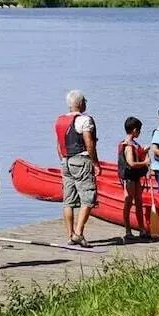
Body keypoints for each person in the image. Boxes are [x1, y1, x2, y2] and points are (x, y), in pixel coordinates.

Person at [54, 89, 99, 248]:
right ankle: (79, 233)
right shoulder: (85, 120)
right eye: (84, 100)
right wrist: (95, 163)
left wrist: (63, 161)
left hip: (65, 161)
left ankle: (70, 235)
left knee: (68, 200)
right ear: (80, 103)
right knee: (88, 197)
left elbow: (59, 145)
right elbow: (89, 143)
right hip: (81, 160)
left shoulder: (59, 120)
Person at [117, 117, 151, 241]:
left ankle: (142, 229)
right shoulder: (129, 146)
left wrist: (143, 151)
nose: (140, 132)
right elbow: (131, 163)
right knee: (129, 202)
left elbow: (137, 155)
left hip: (135, 177)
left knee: (138, 202)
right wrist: (145, 162)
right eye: (139, 130)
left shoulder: (134, 144)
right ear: (135, 130)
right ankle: (128, 230)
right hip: (129, 178)